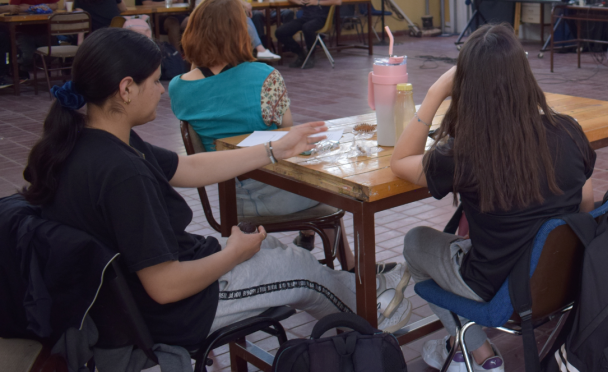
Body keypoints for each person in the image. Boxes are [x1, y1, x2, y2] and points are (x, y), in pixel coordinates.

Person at [20, 28, 385, 350]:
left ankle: (371, 299)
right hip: (176, 307)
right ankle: (378, 329)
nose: (161, 91)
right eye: (155, 81)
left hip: (150, 286)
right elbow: (165, 286)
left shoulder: (88, 141)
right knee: (304, 272)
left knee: (274, 247)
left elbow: (187, 166)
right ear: (126, 89)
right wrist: (233, 254)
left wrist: (275, 150)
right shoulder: (121, 172)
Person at [390, 24, 595, 371]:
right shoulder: (568, 130)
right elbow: (585, 203)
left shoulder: (465, 154)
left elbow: (399, 162)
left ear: (467, 88)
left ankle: (479, 353)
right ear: (524, 76)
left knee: (415, 243)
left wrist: (438, 90)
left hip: (497, 287)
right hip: (560, 277)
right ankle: (461, 347)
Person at [169, 0, 357, 267]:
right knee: (330, 188)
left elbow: (209, 81)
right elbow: (286, 131)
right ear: (241, 32)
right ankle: (350, 266)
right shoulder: (263, 76)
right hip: (270, 190)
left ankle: (311, 239)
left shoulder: (178, 87)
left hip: (227, 197)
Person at [191, 0, 279, 61]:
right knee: (243, 19)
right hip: (206, 23)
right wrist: (243, 3)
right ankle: (259, 50)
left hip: (214, 20)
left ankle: (253, 51)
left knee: (242, 18)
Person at [277, 0, 341, 69]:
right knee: (280, 32)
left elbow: (338, 1)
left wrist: (317, 2)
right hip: (305, 18)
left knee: (308, 27)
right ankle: (301, 53)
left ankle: (311, 56)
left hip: (321, 18)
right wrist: (298, 2)